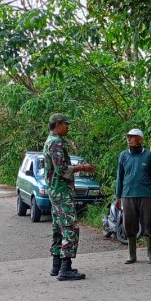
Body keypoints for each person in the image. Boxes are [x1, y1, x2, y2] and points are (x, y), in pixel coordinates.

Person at [43, 113, 96, 281]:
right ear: (58, 124)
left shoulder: (50, 141)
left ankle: (56, 265)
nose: (68, 127)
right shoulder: (56, 142)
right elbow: (61, 169)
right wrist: (82, 167)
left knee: (58, 227)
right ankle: (66, 267)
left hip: (55, 190)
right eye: (66, 124)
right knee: (70, 227)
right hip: (61, 191)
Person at [115, 128, 151, 264]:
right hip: (128, 195)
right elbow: (119, 177)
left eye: (132, 137)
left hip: (145, 195)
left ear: (140, 139)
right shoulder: (123, 156)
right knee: (129, 224)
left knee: (148, 223)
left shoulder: (148, 156)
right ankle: (132, 255)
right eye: (128, 137)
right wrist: (118, 196)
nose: (128, 139)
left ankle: (150, 254)